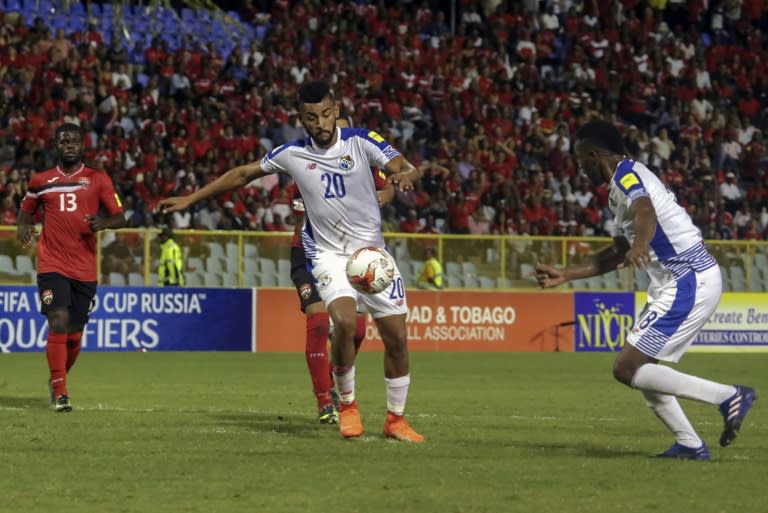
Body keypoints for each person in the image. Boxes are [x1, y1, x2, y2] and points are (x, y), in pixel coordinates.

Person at [160, 80, 425, 442]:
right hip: (327, 255)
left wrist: (404, 174)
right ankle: (347, 405)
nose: (320, 122)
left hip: (372, 255)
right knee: (344, 323)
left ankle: (396, 420)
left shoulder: (363, 141)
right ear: (302, 119)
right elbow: (242, 175)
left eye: (326, 114)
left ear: (336, 111)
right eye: (311, 117)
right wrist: (192, 199)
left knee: (397, 337)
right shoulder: (291, 154)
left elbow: (404, 165)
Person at [534, 120, 756, 460]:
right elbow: (616, 253)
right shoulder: (616, 193)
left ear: (593, 156)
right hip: (675, 281)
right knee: (644, 370)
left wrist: (640, 243)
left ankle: (728, 396)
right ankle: (690, 444)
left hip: (687, 277)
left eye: (581, 161)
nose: (580, 169)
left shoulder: (627, 175)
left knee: (627, 368)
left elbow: (645, 211)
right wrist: (566, 274)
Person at [288, 116, 395, 425]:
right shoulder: (306, 167)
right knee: (320, 322)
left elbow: (387, 190)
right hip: (311, 255)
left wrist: (378, 197)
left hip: (355, 255)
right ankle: (324, 399)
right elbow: (299, 221)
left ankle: (338, 376)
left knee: (357, 330)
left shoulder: (361, 164)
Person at [17, 122, 126, 412]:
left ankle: (58, 379)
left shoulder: (98, 179)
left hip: (85, 268)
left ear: (82, 145)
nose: (69, 144)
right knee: (58, 322)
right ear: (56, 145)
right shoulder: (41, 180)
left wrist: (103, 223)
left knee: (75, 333)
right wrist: (23, 226)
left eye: (74, 140)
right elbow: (25, 211)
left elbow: (119, 216)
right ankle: (61, 390)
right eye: (63, 140)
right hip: (52, 264)